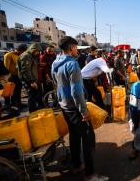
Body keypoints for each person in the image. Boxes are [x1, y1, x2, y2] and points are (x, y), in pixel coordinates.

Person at [51, 36, 108, 181]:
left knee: (74, 136)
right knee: (88, 139)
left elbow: (55, 84)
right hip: (75, 108)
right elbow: (76, 91)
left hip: (65, 106)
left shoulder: (55, 63)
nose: (77, 50)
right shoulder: (72, 64)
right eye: (76, 47)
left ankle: (76, 165)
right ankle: (90, 174)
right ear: (71, 48)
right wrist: (84, 111)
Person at [18, 43, 43, 112]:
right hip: (30, 81)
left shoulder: (31, 56)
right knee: (32, 96)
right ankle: (32, 112)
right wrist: (31, 81)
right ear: (33, 50)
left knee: (35, 95)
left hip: (34, 79)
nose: (38, 53)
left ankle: (34, 109)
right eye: (38, 51)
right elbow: (25, 70)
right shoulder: (26, 56)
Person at [3, 44, 27, 108]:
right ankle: (8, 105)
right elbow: (6, 67)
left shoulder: (20, 56)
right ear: (20, 50)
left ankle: (17, 103)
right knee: (9, 91)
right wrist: (7, 77)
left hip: (18, 76)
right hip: (10, 76)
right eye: (23, 51)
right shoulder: (8, 55)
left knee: (18, 90)